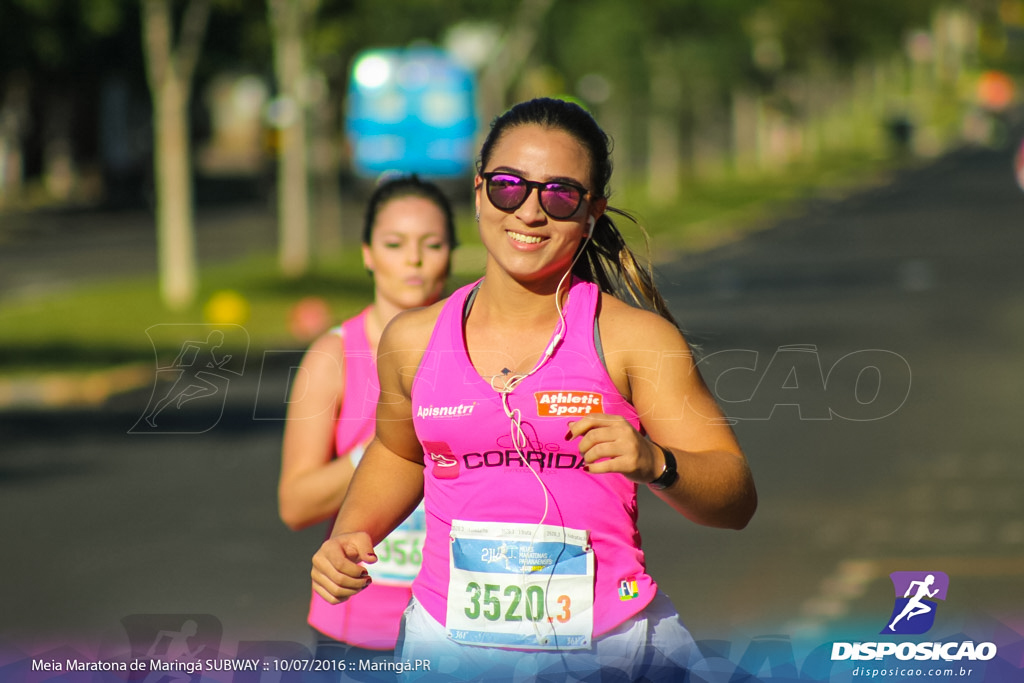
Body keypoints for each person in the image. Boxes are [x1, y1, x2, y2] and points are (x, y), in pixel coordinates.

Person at [311, 98, 757, 681]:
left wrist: (656, 461)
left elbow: (736, 498)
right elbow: (398, 451)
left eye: (560, 195)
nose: (529, 211)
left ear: (592, 210)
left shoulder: (633, 340)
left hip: (608, 650)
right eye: (508, 186)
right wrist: (352, 533)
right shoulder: (414, 340)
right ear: (478, 192)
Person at [278, 174, 457, 666]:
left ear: (452, 253)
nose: (414, 260)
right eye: (395, 244)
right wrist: (385, 450)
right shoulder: (333, 356)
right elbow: (296, 504)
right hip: (359, 634)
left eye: (432, 243)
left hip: (457, 627)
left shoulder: (478, 351)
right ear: (367, 253)